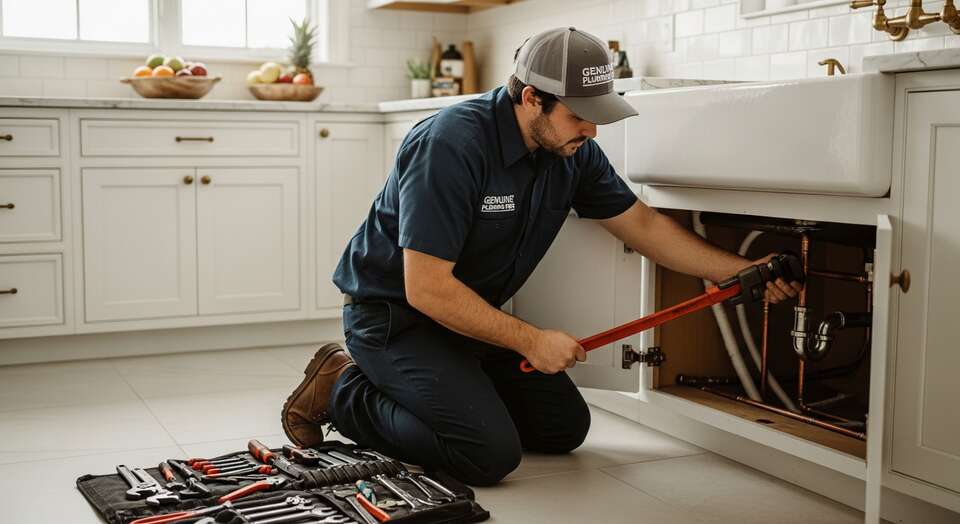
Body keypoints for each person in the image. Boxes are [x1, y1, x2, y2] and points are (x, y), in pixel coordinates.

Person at [281, 27, 802, 486]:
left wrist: (739, 269)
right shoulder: (451, 144)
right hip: (396, 317)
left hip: (467, 320)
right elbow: (427, 289)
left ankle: (451, 387)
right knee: (487, 455)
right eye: (581, 117)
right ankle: (342, 387)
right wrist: (531, 340)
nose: (592, 131)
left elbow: (641, 225)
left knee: (564, 429)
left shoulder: (571, 152)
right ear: (532, 98)